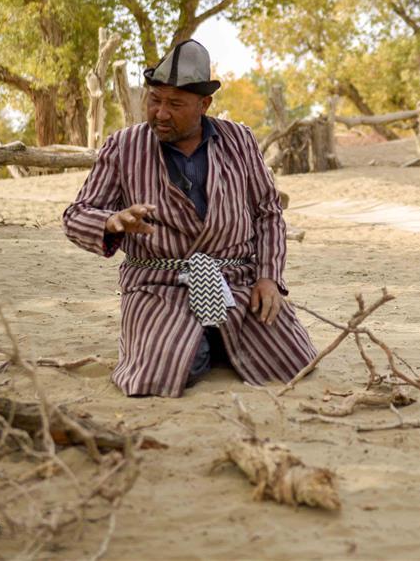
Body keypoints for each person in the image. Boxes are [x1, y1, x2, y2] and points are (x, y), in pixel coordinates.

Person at [62, 39, 316, 398]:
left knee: (293, 360)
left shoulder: (239, 140)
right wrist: (112, 222)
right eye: (155, 100)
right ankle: (197, 341)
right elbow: (75, 215)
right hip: (158, 285)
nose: (161, 113)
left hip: (235, 280)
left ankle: (213, 335)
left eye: (175, 104)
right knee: (168, 369)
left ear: (204, 104)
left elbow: (268, 212)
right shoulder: (122, 146)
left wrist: (269, 278)